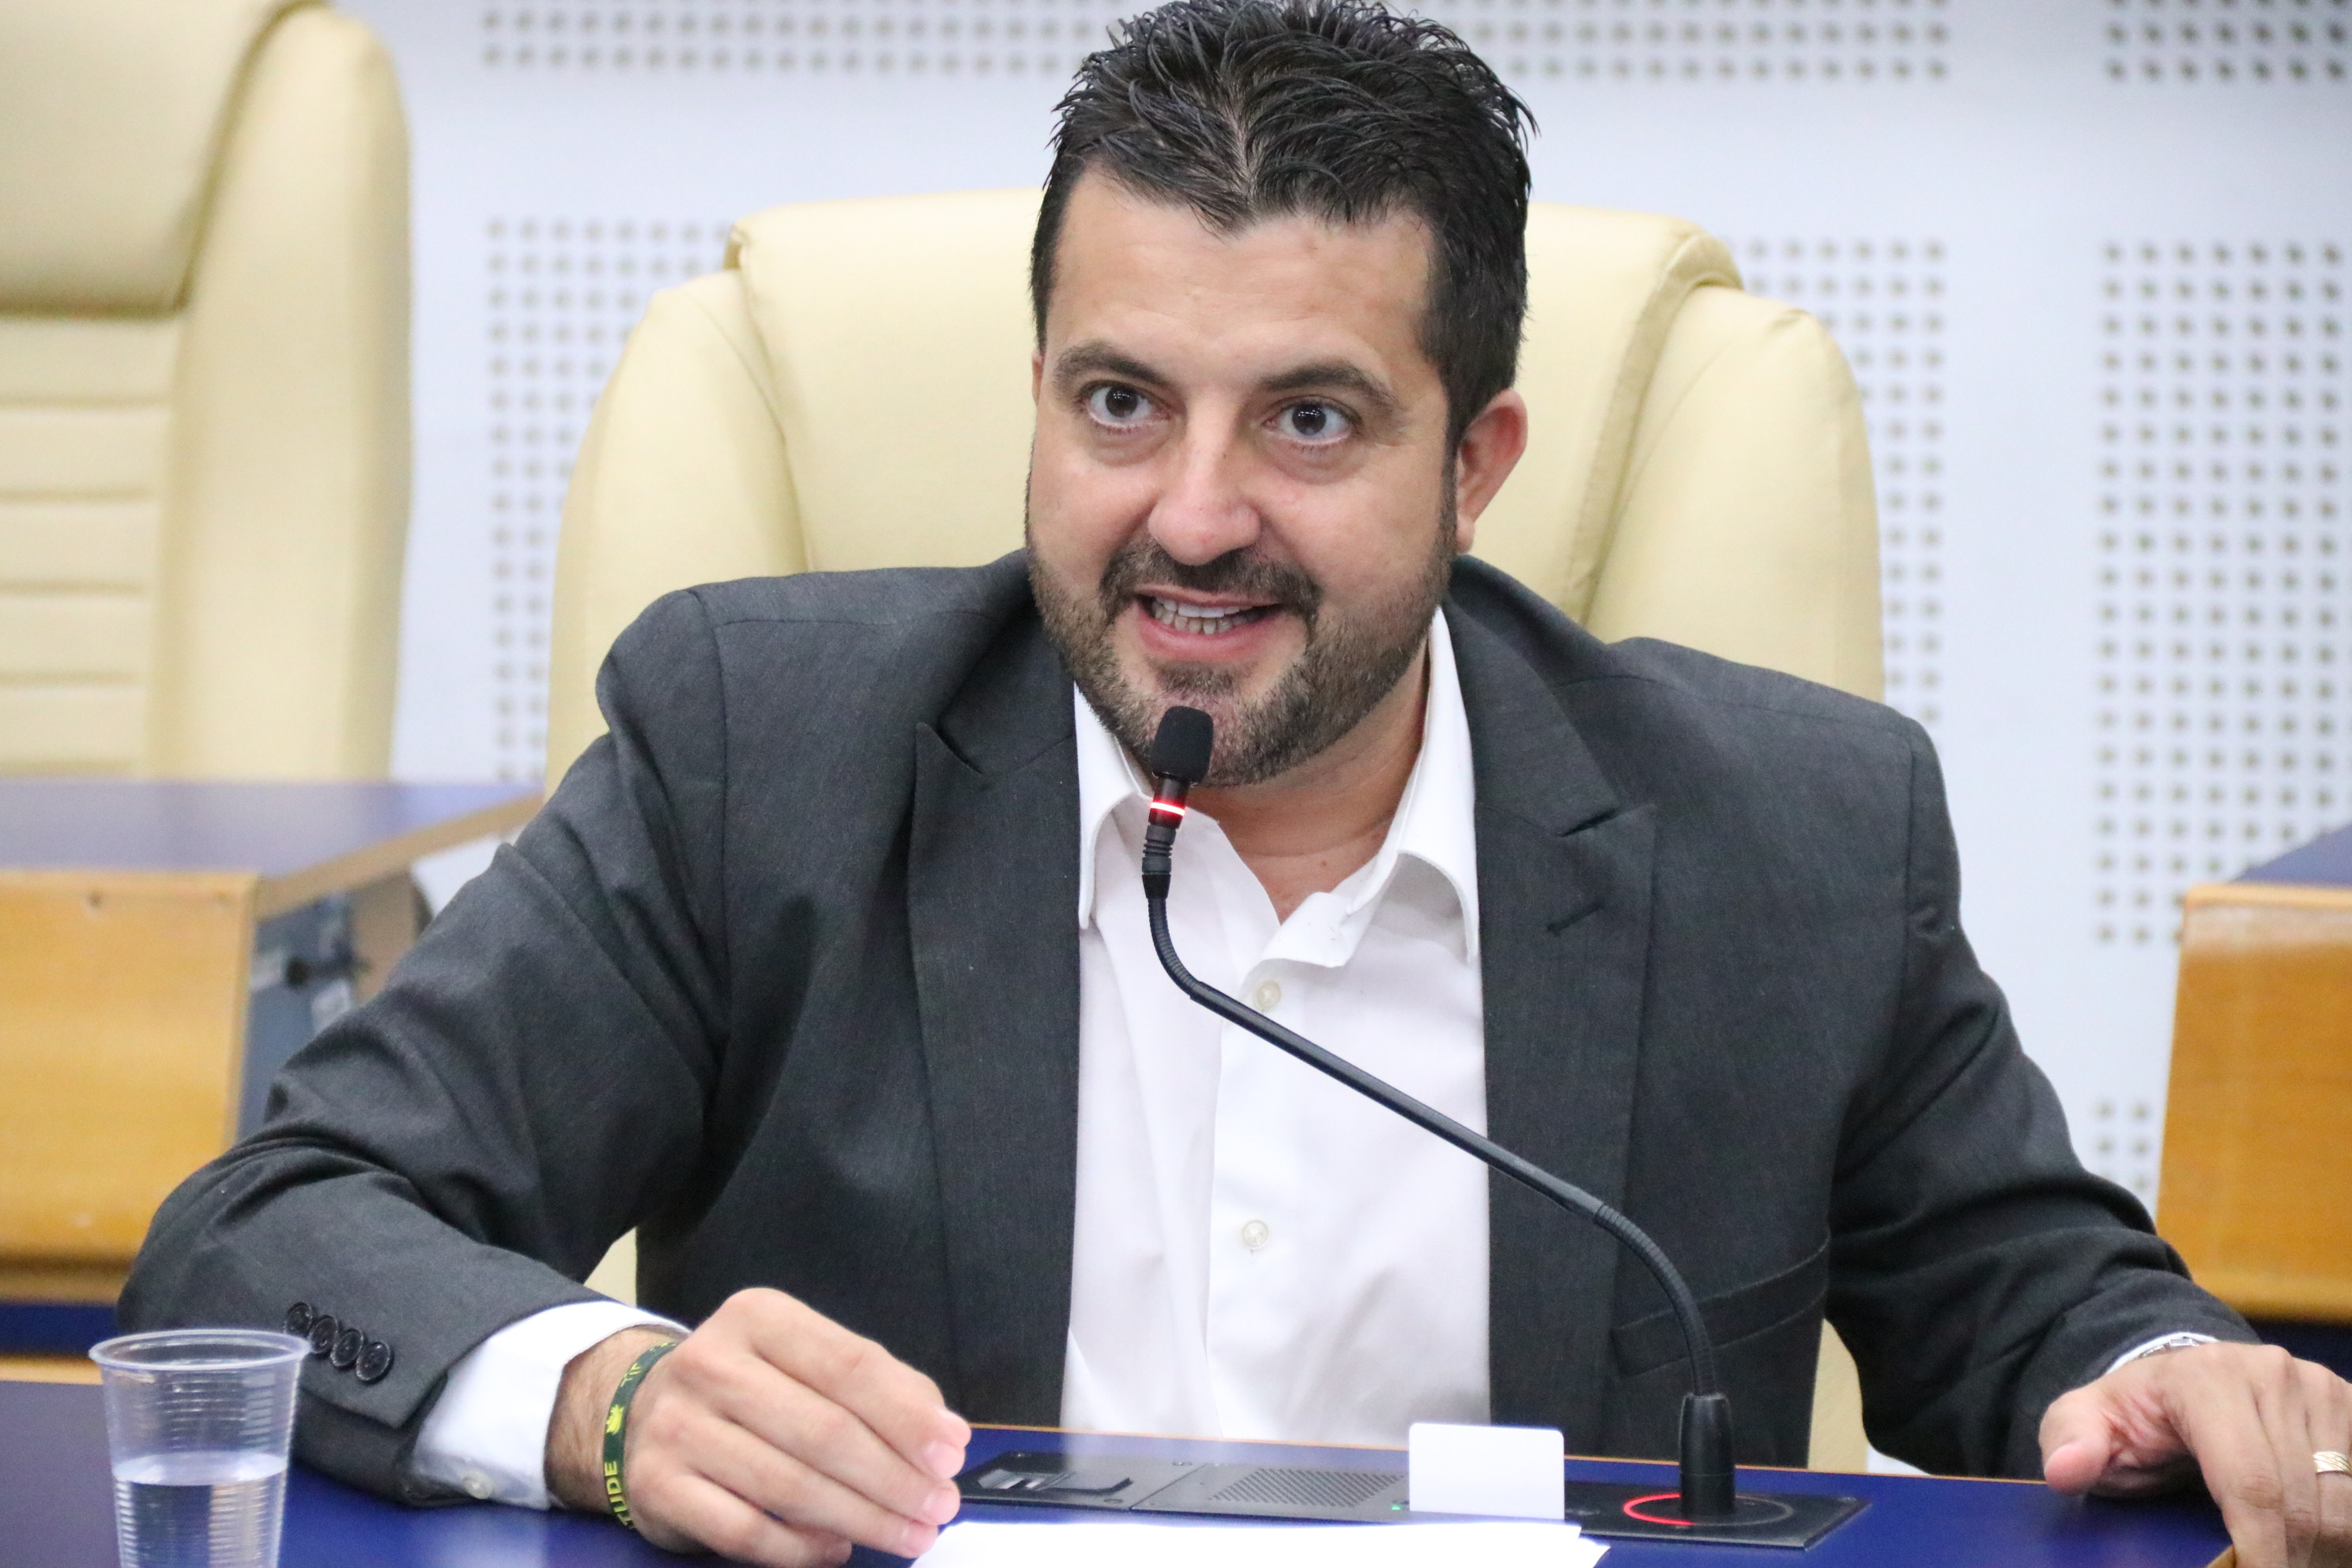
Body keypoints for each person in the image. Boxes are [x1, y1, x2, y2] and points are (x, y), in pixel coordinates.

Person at [125, 2, 2351, 1566]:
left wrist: (2160, 1370)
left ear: (1476, 463)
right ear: (1035, 399)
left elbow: (2032, 1305)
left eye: (1308, 420)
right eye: (1119, 404)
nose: (1191, 517)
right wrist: (606, 1403)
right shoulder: (757, 758)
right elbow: (262, 1239)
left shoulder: (1794, 833)